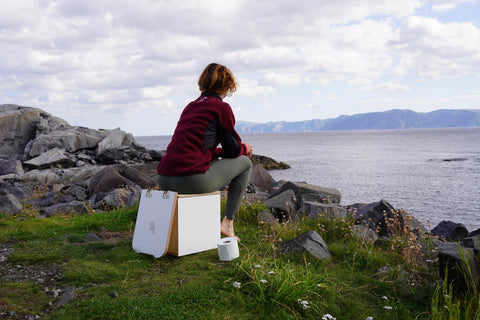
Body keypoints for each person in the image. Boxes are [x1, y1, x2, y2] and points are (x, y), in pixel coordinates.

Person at [157, 63, 253, 241]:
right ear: (227, 86)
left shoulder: (191, 106)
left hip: (164, 179)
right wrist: (244, 148)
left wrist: (216, 152)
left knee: (216, 162)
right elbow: (233, 151)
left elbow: (195, 145)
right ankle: (228, 223)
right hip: (190, 180)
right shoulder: (222, 108)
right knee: (246, 164)